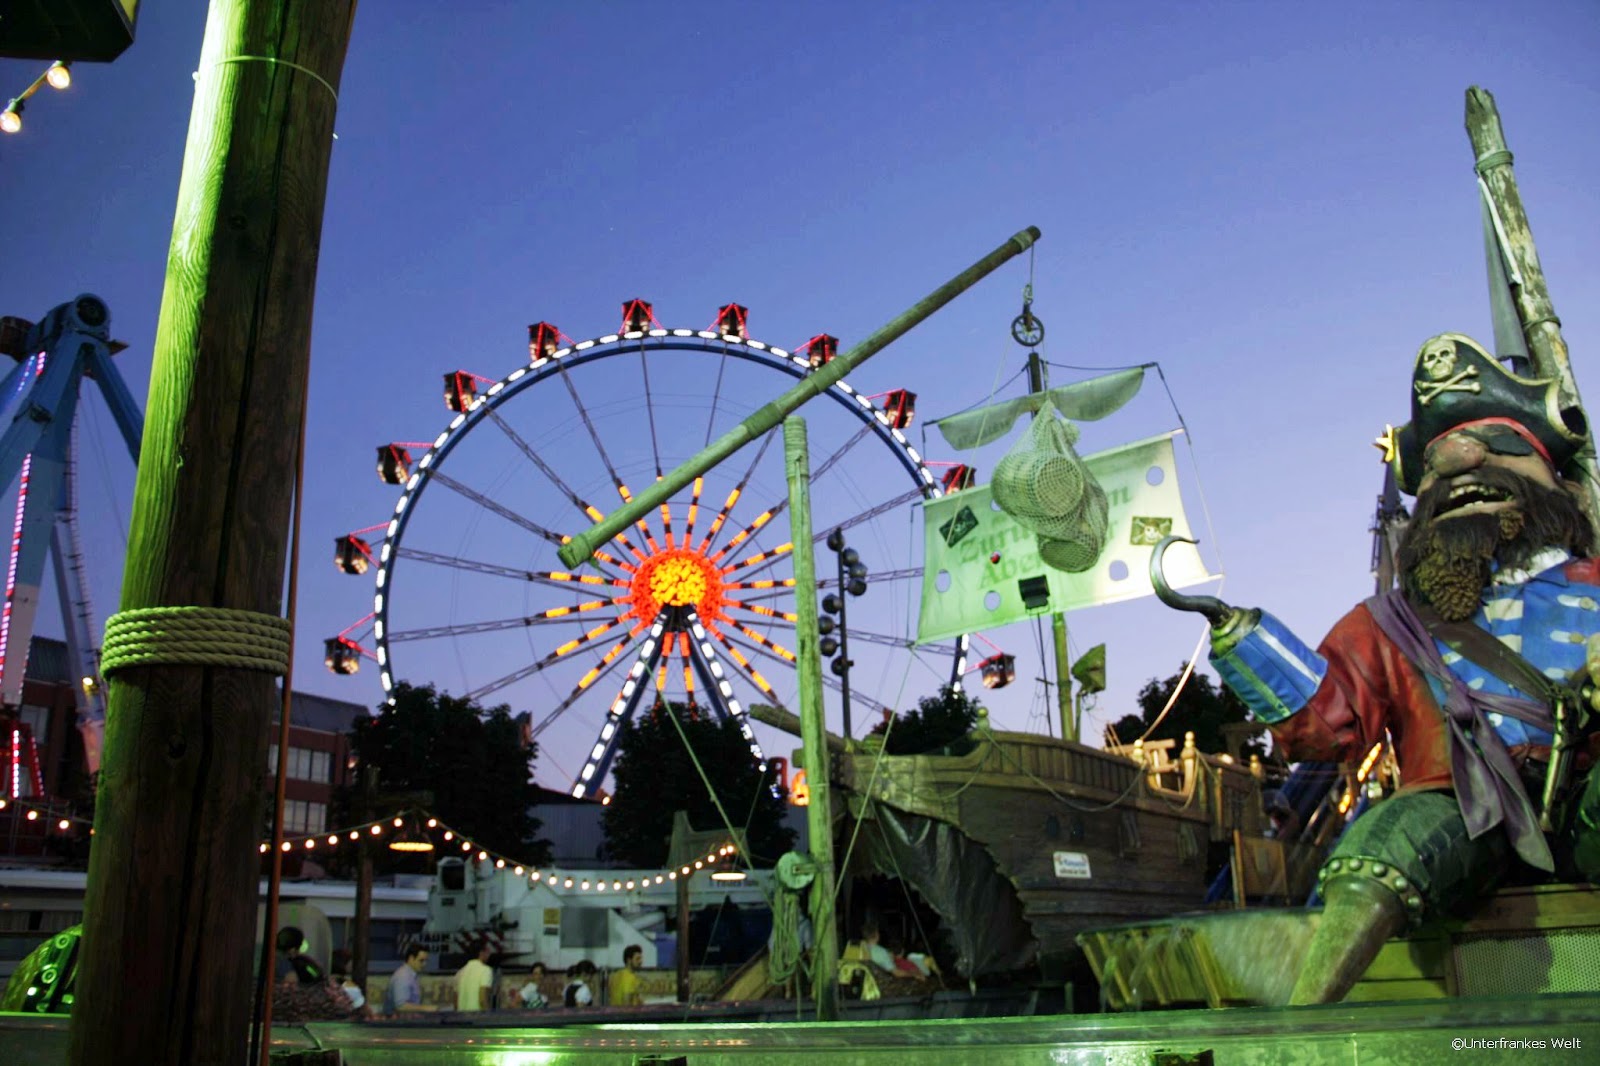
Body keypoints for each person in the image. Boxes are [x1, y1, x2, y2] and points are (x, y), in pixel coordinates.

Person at [1158, 333, 1600, 1004]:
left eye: (1498, 457)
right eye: (1444, 478)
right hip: (1457, 816)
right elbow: (1324, 727)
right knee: (1390, 841)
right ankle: (1305, 1022)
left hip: (1585, 810)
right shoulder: (1391, 621)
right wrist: (1240, 633)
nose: (1466, 477)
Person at [381, 943, 438, 1015]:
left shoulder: (410, 975)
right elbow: (401, 1006)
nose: (424, 964)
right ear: (411, 958)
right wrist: (426, 1008)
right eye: (421, 961)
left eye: (426, 961)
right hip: (397, 1023)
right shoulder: (403, 977)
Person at [454, 937, 495, 1012]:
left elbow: (456, 1002)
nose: (490, 953)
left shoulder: (460, 972)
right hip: (477, 1019)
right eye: (488, 950)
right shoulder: (485, 970)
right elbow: (482, 998)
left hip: (461, 1018)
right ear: (481, 953)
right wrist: (488, 1015)